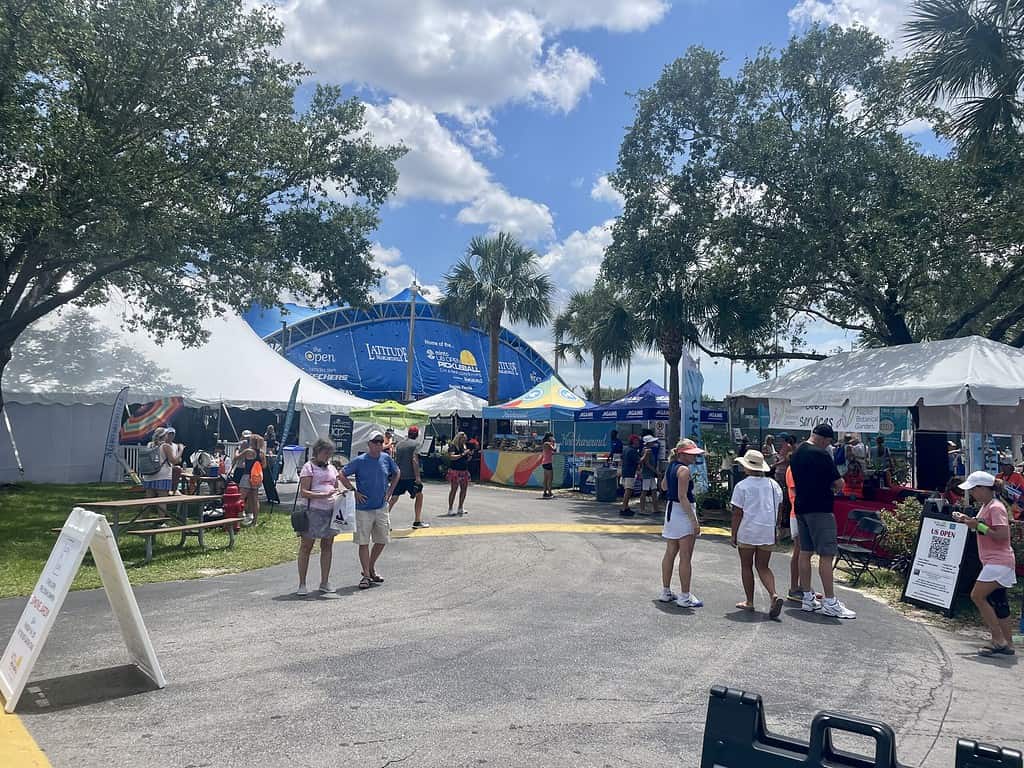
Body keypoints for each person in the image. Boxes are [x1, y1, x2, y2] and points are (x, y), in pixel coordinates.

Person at [789, 423, 856, 619]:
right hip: (820, 508)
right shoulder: (821, 454)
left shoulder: (797, 453)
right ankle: (830, 601)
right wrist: (835, 488)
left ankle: (808, 597)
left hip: (801, 507)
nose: (828, 445)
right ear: (824, 439)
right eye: (828, 442)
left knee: (805, 552)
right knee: (827, 555)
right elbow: (838, 482)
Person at [954, 472, 1017, 656]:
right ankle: (1008, 643)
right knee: (999, 601)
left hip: (999, 562)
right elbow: (983, 527)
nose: (972, 493)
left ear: (983, 488)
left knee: (977, 596)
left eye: (973, 489)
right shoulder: (986, 506)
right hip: (995, 562)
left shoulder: (995, 508)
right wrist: (967, 521)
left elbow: (1002, 535)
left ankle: (998, 639)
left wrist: (977, 526)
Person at [340, 431, 400, 590]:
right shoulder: (360, 461)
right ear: (369, 444)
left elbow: (397, 473)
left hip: (381, 506)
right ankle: (366, 574)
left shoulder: (386, 459)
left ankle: (370, 567)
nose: (379, 445)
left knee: (382, 539)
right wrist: (354, 491)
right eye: (376, 442)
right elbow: (342, 474)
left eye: (381, 442)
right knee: (363, 541)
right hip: (363, 509)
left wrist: (390, 492)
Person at [730, 450, 785, 618]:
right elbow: (780, 508)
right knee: (763, 566)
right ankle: (773, 594)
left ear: (746, 467)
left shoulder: (742, 486)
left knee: (746, 566)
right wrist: (777, 528)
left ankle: (749, 601)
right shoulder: (773, 485)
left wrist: (733, 534)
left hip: (747, 530)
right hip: (767, 530)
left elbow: (737, 513)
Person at [658, 439, 705, 608]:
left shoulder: (671, 466)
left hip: (671, 512)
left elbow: (663, 487)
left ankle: (665, 591)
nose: (694, 457)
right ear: (682, 454)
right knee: (686, 556)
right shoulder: (684, 470)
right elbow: (683, 496)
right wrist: (694, 521)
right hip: (682, 511)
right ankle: (685, 596)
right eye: (691, 454)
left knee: (670, 552)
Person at [295, 438, 343, 596]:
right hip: (313, 511)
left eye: (330, 453)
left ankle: (324, 581)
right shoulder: (308, 467)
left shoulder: (332, 468)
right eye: (325, 452)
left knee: (327, 546)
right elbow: (304, 491)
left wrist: (339, 494)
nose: (328, 456)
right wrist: (322, 495)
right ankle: (302, 583)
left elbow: (335, 486)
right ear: (317, 452)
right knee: (306, 546)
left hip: (330, 511)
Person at [391, 425, 429, 529]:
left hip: (398, 475)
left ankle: (383, 521)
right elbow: (414, 460)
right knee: (419, 496)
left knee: (393, 498)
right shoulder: (416, 444)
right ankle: (417, 521)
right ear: (416, 435)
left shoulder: (399, 444)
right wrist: (417, 477)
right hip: (410, 476)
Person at [233, 430, 265, 525]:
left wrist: (237, 451)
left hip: (247, 476)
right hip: (256, 477)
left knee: (241, 498)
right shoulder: (262, 453)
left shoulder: (248, 451)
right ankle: (254, 522)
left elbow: (236, 458)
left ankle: (238, 520)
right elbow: (264, 466)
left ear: (252, 442)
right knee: (255, 500)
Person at [141, 427, 181, 499]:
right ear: (164, 435)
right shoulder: (166, 446)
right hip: (162, 476)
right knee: (162, 501)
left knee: (148, 500)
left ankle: (147, 510)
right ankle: (161, 510)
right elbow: (174, 461)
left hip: (149, 475)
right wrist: (181, 450)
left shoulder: (149, 445)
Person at [446, 431, 472, 516]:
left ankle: (460, 507)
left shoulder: (464, 446)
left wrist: (469, 455)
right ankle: (450, 508)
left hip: (464, 470)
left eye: (465, 440)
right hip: (455, 470)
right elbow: (451, 457)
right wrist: (462, 454)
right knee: (454, 489)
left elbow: (466, 458)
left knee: (464, 489)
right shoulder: (453, 446)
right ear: (458, 439)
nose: (464, 441)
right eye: (463, 439)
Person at [619, 434, 642, 517]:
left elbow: (622, 459)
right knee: (628, 491)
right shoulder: (632, 451)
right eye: (637, 441)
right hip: (629, 473)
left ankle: (626, 507)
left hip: (625, 472)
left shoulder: (626, 449)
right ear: (634, 441)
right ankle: (624, 508)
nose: (639, 442)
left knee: (628, 490)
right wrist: (646, 454)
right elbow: (639, 461)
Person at [638, 433, 660, 515]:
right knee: (645, 491)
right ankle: (642, 509)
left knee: (654, 490)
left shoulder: (647, 450)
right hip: (647, 474)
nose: (653, 443)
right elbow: (647, 463)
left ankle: (655, 508)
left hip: (650, 473)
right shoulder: (647, 450)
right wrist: (656, 471)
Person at [540, 432, 557, 499]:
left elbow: (550, 452)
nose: (552, 438)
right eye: (551, 437)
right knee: (550, 479)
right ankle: (549, 492)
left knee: (546, 479)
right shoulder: (547, 443)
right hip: (548, 463)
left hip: (545, 462)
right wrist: (554, 442)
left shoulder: (546, 444)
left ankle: (545, 492)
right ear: (549, 437)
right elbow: (554, 449)